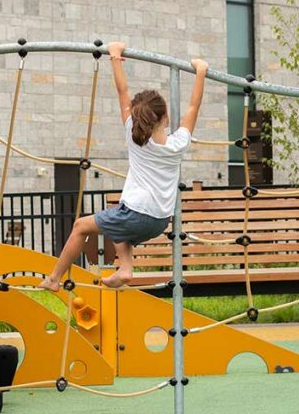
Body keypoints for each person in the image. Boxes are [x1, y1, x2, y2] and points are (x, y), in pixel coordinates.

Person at [39, 41, 207, 291]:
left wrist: (115, 56)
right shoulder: (178, 143)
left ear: (138, 117)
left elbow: (122, 92)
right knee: (115, 222)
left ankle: (54, 279)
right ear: (166, 118)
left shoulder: (133, 136)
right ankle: (125, 268)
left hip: (137, 213)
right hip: (159, 220)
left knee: (80, 226)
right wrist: (201, 71)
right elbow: (193, 107)